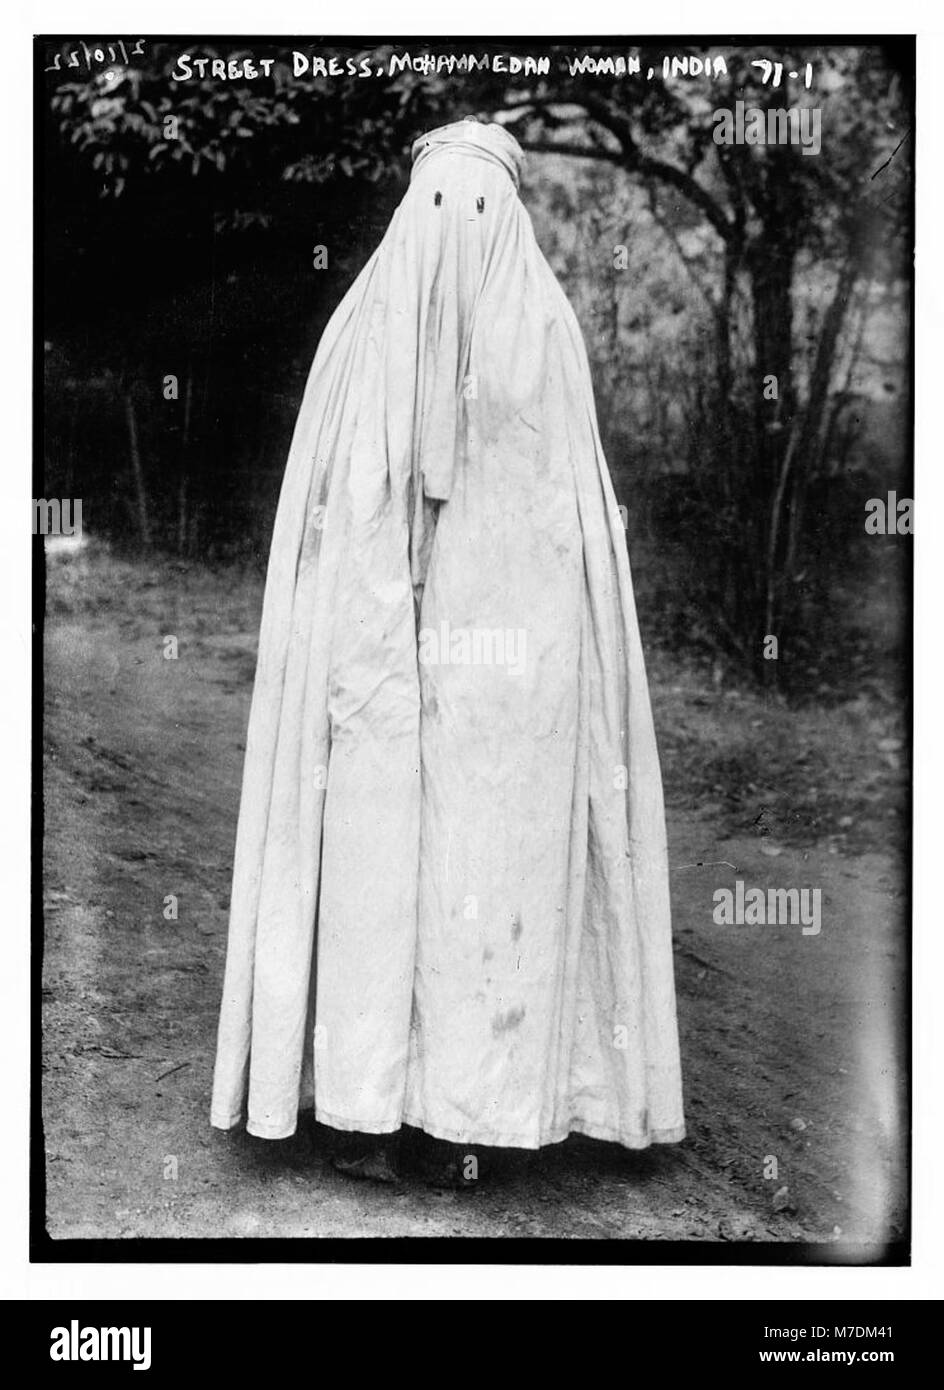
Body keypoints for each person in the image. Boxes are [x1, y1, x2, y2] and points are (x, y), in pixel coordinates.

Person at [210, 118, 685, 1185]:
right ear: (406, 212)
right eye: (438, 210)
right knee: (374, 859)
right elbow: (327, 525)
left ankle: (479, 1106)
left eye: (475, 210)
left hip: (504, 679)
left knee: (486, 866)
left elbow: (568, 542)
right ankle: (364, 1102)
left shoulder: (541, 336)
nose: (452, 234)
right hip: (374, 663)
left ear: (505, 217)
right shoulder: (364, 335)